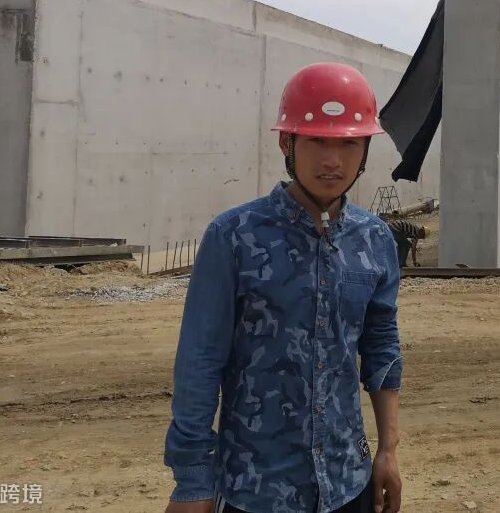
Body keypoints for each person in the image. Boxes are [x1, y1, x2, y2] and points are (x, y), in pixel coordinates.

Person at [164, 62, 403, 513]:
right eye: (316, 141)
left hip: (347, 484)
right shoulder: (234, 237)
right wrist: (192, 482)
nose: (332, 161)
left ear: (365, 149)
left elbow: (381, 347)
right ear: (286, 143)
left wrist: (387, 449)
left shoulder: (374, 241)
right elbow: (200, 362)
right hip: (255, 489)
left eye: (348, 143)